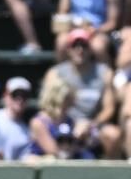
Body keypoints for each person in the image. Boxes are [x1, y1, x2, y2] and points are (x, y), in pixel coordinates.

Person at [49, 27, 122, 160]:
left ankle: (111, 176)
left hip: (93, 125)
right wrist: (68, 125)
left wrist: (91, 124)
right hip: (64, 124)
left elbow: (109, 108)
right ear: (68, 49)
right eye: (75, 45)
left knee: (113, 135)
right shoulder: (56, 73)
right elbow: (49, 106)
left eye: (83, 45)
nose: (79, 50)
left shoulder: (104, 73)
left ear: (90, 49)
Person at [53, 0, 117, 64]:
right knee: (61, 43)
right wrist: (71, 25)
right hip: (73, 28)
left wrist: (95, 30)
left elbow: (112, 23)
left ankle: (106, 75)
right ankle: (62, 75)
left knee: (98, 47)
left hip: (98, 31)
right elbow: (62, 13)